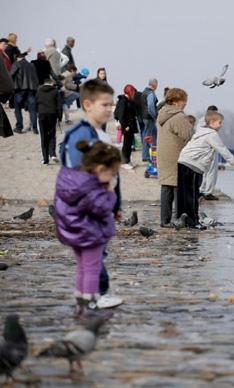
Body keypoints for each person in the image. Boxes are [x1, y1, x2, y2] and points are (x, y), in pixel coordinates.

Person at [60, 79, 124, 310]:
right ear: (87, 104)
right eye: (104, 105)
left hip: (99, 206)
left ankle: (88, 297)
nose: (109, 109)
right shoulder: (82, 136)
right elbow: (81, 178)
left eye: (111, 104)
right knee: (93, 256)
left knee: (93, 255)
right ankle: (96, 295)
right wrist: (104, 200)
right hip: (89, 208)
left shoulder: (98, 134)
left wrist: (115, 207)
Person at [54, 140, 120, 319]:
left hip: (74, 231)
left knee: (82, 269)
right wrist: (110, 193)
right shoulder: (93, 187)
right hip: (90, 233)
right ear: (100, 169)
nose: (113, 177)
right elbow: (102, 208)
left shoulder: (73, 179)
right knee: (92, 269)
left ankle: (80, 306)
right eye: (112, 173)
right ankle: (90, 306)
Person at [177, 110, 234, 228]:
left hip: (183, 161)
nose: (221, 125)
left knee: (183, 193)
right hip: (193, 164)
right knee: (193, 193)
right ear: (212, 122)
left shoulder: (199, 131)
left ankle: (182, 218)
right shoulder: (212, 134)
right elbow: (223, 150)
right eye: (220, 122)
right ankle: (192, 221)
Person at [156, 88, 193, 227]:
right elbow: (189, 136)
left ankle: (164, 220)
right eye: (184, 101)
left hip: (164, 155)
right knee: (179, 188)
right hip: (176, 155)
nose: (185, 104)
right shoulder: (179, 117)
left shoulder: (163, 114)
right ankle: (180, 219)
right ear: (177, 102)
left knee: (166, 187)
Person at [10, 53, 38, 134]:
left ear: (18, 58)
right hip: (31, 90)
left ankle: (19, 127)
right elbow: (35, 78)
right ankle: (35, 128)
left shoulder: (16, 64)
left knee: (17, 109)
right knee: (32, 110)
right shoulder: (31, 65)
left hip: (20, 90)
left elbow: (10, 75)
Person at [35, 76, 62, 164]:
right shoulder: (55, 91)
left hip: (42, 114)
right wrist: (60, 117)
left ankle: (45, 159)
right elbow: (59, 105)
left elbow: (35, 103)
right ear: (51, 83)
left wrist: (37, 112)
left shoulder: (39, 91)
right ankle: (53, 154)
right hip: (52, 114)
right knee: (52, 135)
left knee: (43, 137)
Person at [114, 84, 139, 168]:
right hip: (127, 126)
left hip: (131, 125)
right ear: (129, 92)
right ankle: (124, 162)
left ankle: (128, 160)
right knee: (126, 144)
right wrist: (125, 126)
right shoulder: (123, 101)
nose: (133, 94)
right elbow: (121, 115)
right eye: (132, 92)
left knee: (129, 143)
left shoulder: (129, 100)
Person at [198, 105, 220, 200]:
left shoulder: (200, 121)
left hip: (201, 148)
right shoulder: (212, 122)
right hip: (210, 148)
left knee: (203, 170)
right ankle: (208, 192)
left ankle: (201, 190)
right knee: (211, 171)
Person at [139, 78, 158, 163]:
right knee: (148, 137)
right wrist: (155, 116)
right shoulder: (151, 94)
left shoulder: (144, 92)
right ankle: (146, 156)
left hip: (144, 117)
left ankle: (151, 154)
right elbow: (150, 107)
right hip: (149, 118)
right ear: (154, 85)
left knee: (150, 135)